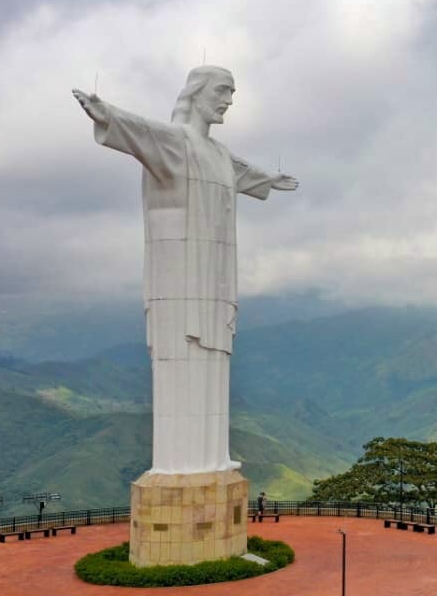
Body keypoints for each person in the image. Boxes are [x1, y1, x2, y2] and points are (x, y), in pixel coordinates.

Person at [74, 66, 298, 475]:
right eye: (224, 91)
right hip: (178, 278)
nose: (229, 100)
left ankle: (211, 456)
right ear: (197, 93)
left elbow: (244, 172)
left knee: (214, 360)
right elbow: (138, 130)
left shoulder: (217, 152)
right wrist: (105, 112)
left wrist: (272, 178)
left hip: (213, 278)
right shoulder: (175, 142)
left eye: (232, 92)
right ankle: (180, 461)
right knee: (181, 359)